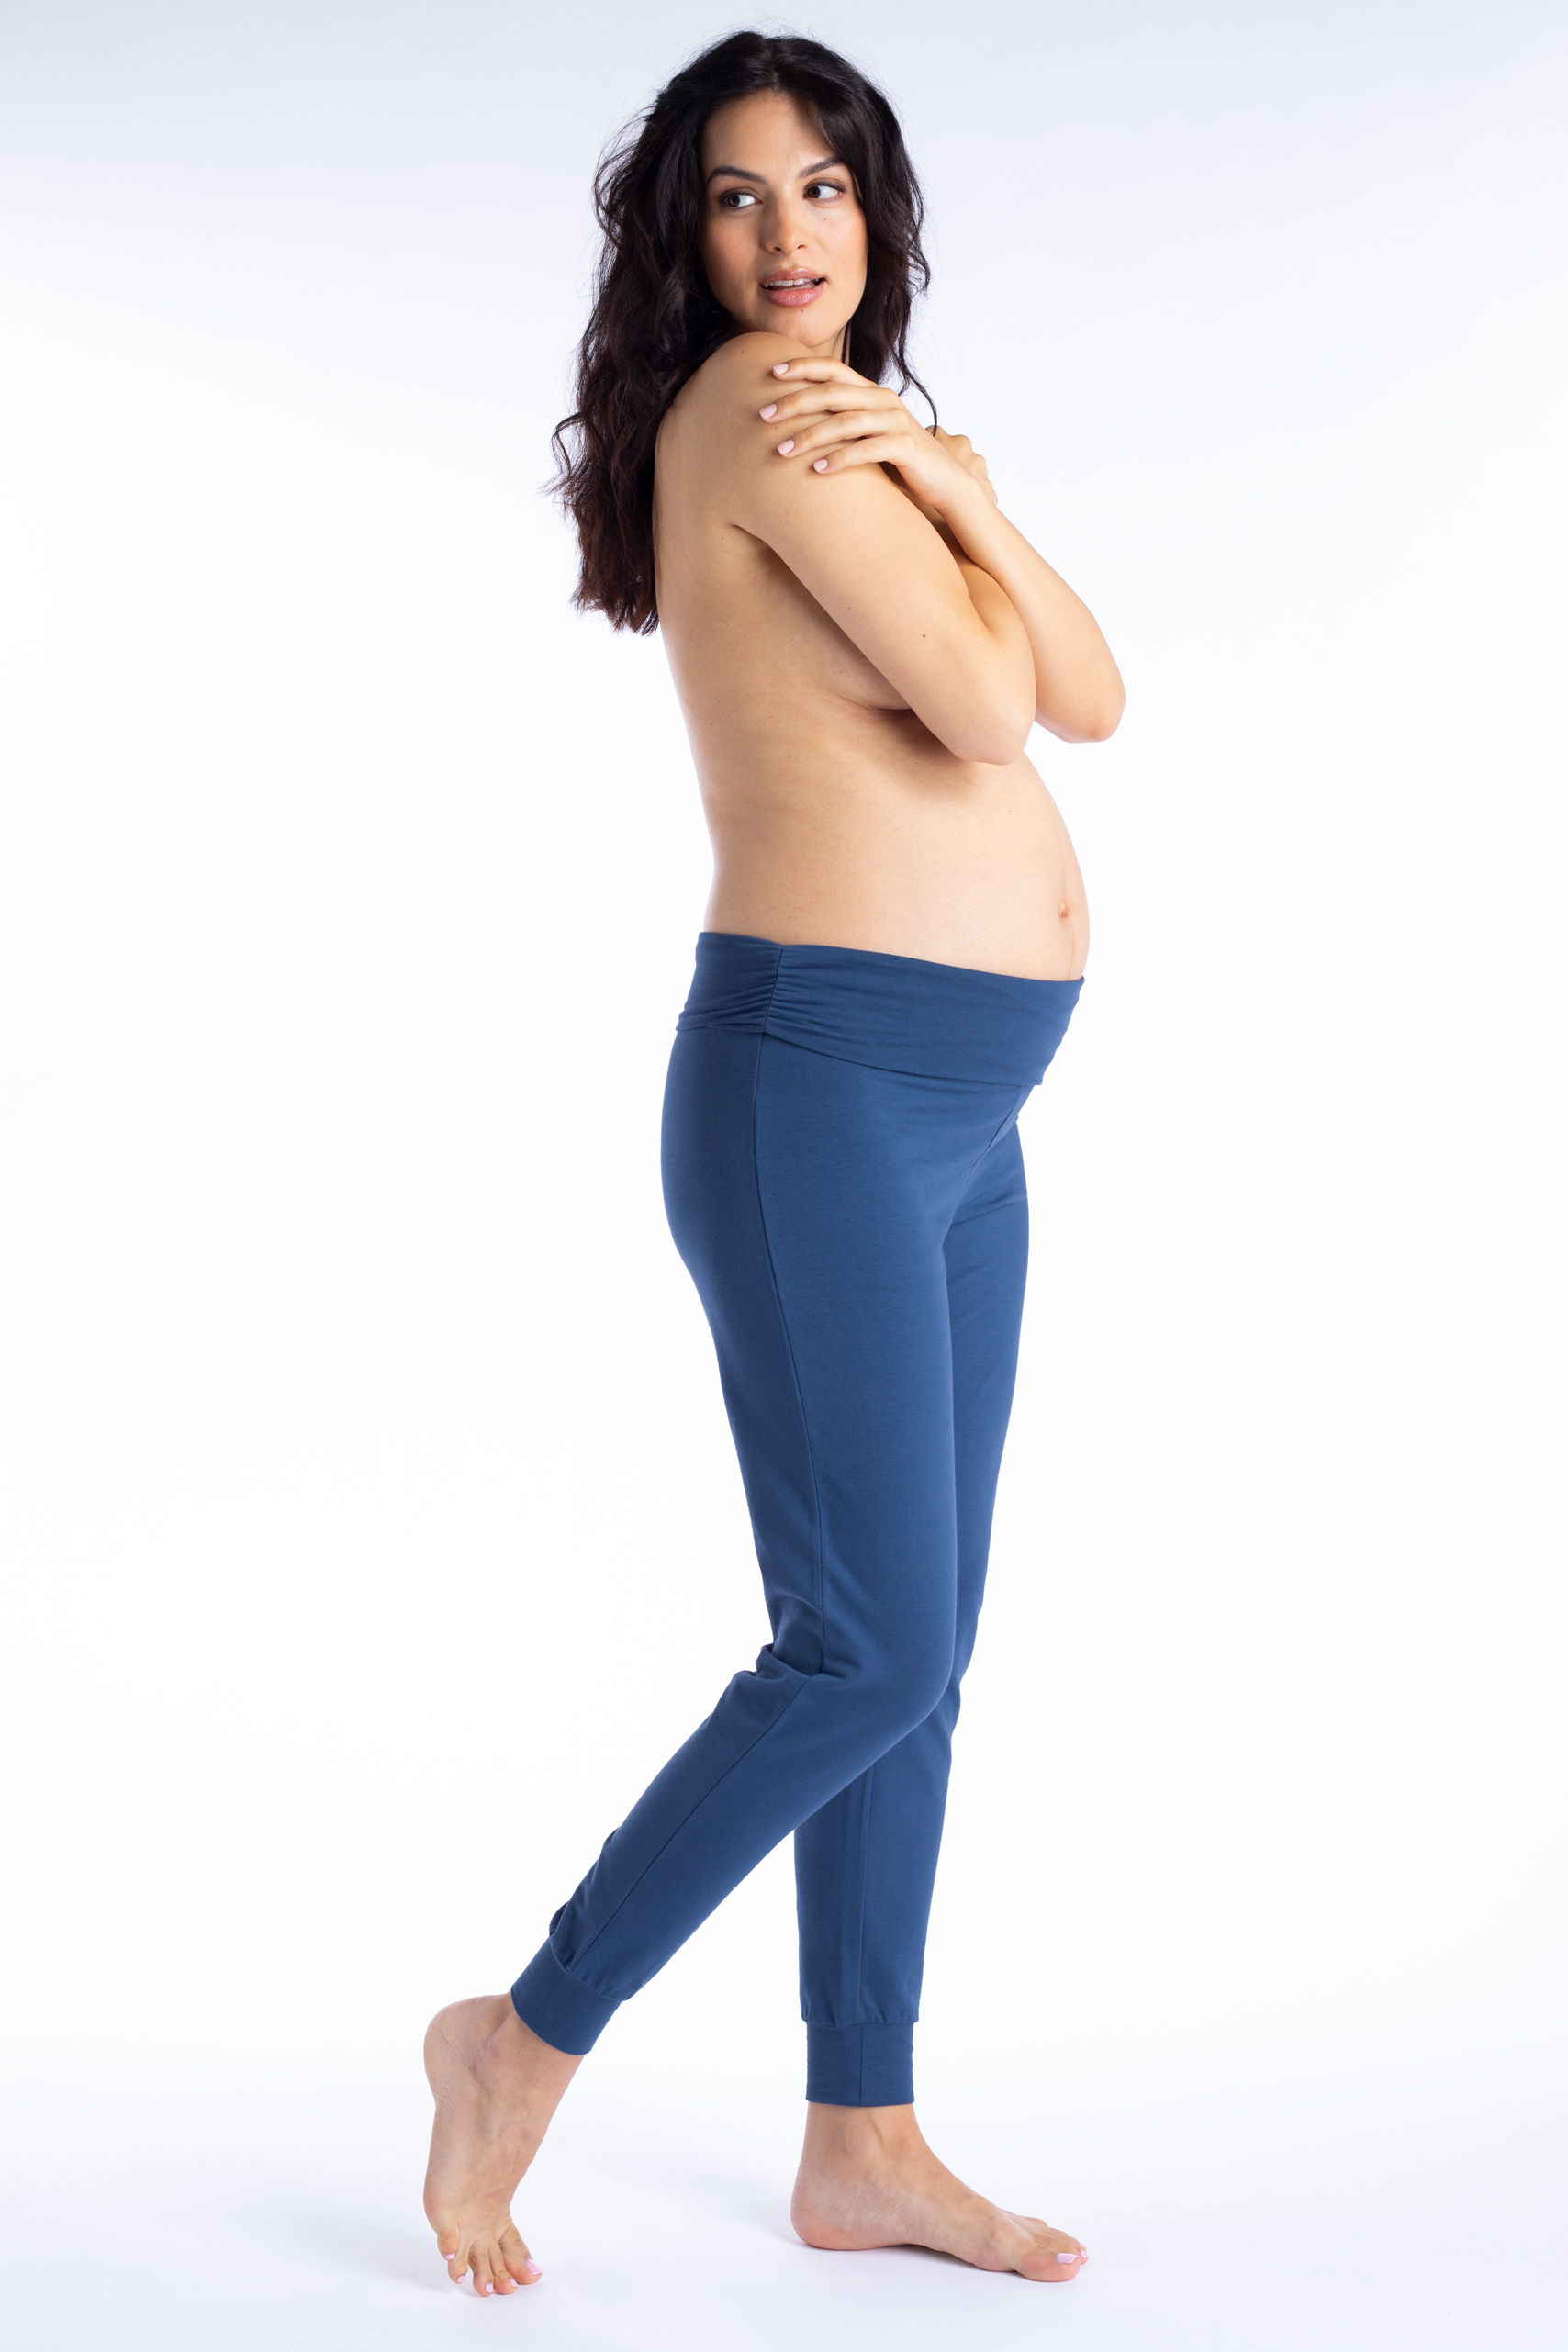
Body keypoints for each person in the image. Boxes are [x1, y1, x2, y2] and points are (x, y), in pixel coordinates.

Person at [423, 30, 1123, 2298]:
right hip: (814, 1083)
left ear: (872, 209)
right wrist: (939, 494)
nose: (786, 233)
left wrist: (955, 482)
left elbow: (1092, 690)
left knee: (916, 1655)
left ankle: (862, 2136)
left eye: (819, 186)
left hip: (958, 1115)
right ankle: (520, 2036)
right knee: (866, 1646)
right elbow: (989, 706)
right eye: (735, 196)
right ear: (684, 240)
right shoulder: (752, 410)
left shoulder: (862, 428)